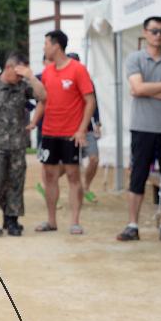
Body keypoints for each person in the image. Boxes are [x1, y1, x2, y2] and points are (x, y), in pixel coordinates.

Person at [116, 16, 161, 244]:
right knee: (138, 175)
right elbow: (137, 88)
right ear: (145, 33)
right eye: (154, 31)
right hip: (142, 126)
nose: (159, 35)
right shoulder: (135, 58)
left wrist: (146, 89)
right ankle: (132, 224)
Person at [30, 30, 95, 235]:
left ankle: (75, 222)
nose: (44, 48)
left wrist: (82, 130)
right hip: (49, 132)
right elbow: (44, 101)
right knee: (49, 176)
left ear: (56, 45)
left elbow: (90, 101)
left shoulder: (78, 69)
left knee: (73, 176)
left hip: (71, 134)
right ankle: (51, 221)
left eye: (46, 44)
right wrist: (33, 123)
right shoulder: (48, 71)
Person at [0, 53, 45, 237]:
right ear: (8, 68)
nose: (20, 78)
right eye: (19, 73)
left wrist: (31, 77)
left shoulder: (23, 86)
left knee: (16, 183)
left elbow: (43, 96)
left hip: (17, 144)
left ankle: (12, 219)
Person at [67, 53, 102, 203]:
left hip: (86, 128)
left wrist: (98, 123)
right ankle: (74, 190)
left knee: (94, 159)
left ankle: (86, 186)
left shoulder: (87, 81)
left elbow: (94, 103)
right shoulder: (64, 81)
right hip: (68, 129)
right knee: (65, 165)